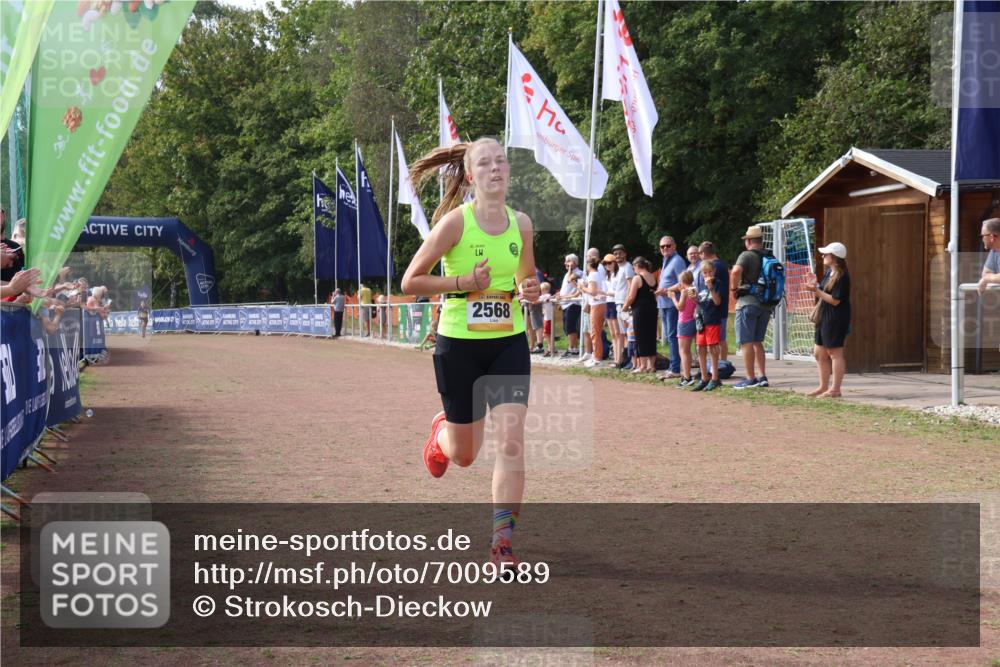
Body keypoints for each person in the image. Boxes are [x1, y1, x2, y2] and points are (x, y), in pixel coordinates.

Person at [401, 137, 541, 565]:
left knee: (511, 443)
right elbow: (411, 282)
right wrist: (463, 283)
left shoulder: (522, 224)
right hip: (459, 345)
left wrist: (530, 290)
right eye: (485, 163)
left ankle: (502, 544)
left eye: (501, 160)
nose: (495, 168)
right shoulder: (455, 225)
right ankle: (442, 435)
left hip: (508, 343)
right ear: (470, 176)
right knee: (465, 456)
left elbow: (525, 278)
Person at [807, 242, 851, 398]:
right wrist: (815, 285)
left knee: (834, 352)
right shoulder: (829, 273)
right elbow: (824, 291)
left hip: (835, 317)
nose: (823, 256)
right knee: (819, 352)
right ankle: (823, 386)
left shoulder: (842, 276)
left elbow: (835, 300)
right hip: (824, 315)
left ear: (835, 257)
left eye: (826, 254)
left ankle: (835, 389)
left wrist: (816, 291)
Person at [730, 225, 772, 389]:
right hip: (766, 304)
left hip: (748, 303)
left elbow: (735, 272)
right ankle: (762, 376)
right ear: (761, 240)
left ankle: (750, 378)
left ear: (748, 241)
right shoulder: (769, 255)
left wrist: (734, 289)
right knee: (757, 341)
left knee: (746, 342)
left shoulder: (746, 255)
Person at [655, 235, 686, 378]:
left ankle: (675, 368)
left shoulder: (677, 261)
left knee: (673, 336)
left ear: (674, 246)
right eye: (662, 246)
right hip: (665, 304)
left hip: (674, 303)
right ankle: (674, 366)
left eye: (668, 245)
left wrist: (666, 291)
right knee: (670, 336)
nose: (665, 248)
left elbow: (683, 283)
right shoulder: (666, 260)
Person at [691, 260, 724, 392]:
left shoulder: (717, 283)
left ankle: (715, 378)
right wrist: (694, 298)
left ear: (714, 271)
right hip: (701, 320)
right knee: (700, 348)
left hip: (712, 319)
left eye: (710, 271)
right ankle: (704, 377)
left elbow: (717, 302)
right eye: (705, 272)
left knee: (712, 347)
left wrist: (710, 287)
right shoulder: (699, 283)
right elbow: (700, 302)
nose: (707, 274)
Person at [623, 256, 658, 373]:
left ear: (637, 266)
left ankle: (642, 366)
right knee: (651, 336)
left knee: (641, 337)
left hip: (640, 310)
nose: (634, 270)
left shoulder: (637, 278)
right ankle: (651, 365)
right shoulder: (652, 276)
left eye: (634, 267)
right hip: (652, 309)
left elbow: (631, 296)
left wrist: (625, 307)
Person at [697, 241, 730, 362]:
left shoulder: (716, 267)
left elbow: (715, 289)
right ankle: (721, 364)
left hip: (717, 309)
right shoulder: (719, 265)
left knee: (719, 340)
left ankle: (722, 365)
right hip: (713, 309)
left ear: (703, 253)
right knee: (719, 340)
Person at [609, 244, 635, 368]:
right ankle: (625, 359)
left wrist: (628, 303)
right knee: (623, 332)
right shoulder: (618, 269)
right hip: (618, 302)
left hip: (625, 303)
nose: (617, 256)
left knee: (628, 333)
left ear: (625, 254)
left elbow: (631, 285)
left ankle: (631, 360)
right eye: (615, 254)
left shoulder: (628, 267)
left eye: (620, 253)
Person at [670, 270, 697, 386]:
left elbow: (680, 307)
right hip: (692, 320)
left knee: (683, 351)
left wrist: (672, 298)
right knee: (688, 350)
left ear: (682, 281)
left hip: (684, 321)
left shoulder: (684, 291)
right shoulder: (694, 289)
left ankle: (687, 377)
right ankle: (687, 374)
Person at [581, 254, 607, 367]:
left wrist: (582, 288)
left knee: (595, 332)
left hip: (596, 305)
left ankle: (597, 357)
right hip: (600, 303)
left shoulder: (592, 275)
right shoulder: (598, 274)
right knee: (596, 332)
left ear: (589, 265)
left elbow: (592, 292)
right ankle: (596, 355)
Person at [555, 254, 583, 357]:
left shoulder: (579, 273)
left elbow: (578, 289)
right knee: (566, 328)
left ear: (574, 262)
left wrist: (564, 297)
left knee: (570, 327)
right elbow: (565, 287)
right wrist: (560, 295)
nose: (565, 263)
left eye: (567, 261)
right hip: (565, 304)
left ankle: (573, 349)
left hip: (573, 303)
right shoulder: (567, 274)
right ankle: (571, 347)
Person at [979, 217, 1000, 294]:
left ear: (991, 237)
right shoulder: (994, 251)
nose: (982, 239)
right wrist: (987, 278)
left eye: (983, 236)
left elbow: (986, 277)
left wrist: (986, 279)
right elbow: (985, 273)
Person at [539, 282, 555, 357]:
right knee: (547, 334)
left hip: (548, 318)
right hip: (548, 317)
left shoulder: (545, 296)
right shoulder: (548, 296)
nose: (541, 292)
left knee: (545, 334)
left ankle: (550, 348)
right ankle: (550, 347)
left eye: (542, 290)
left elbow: (537, 301)